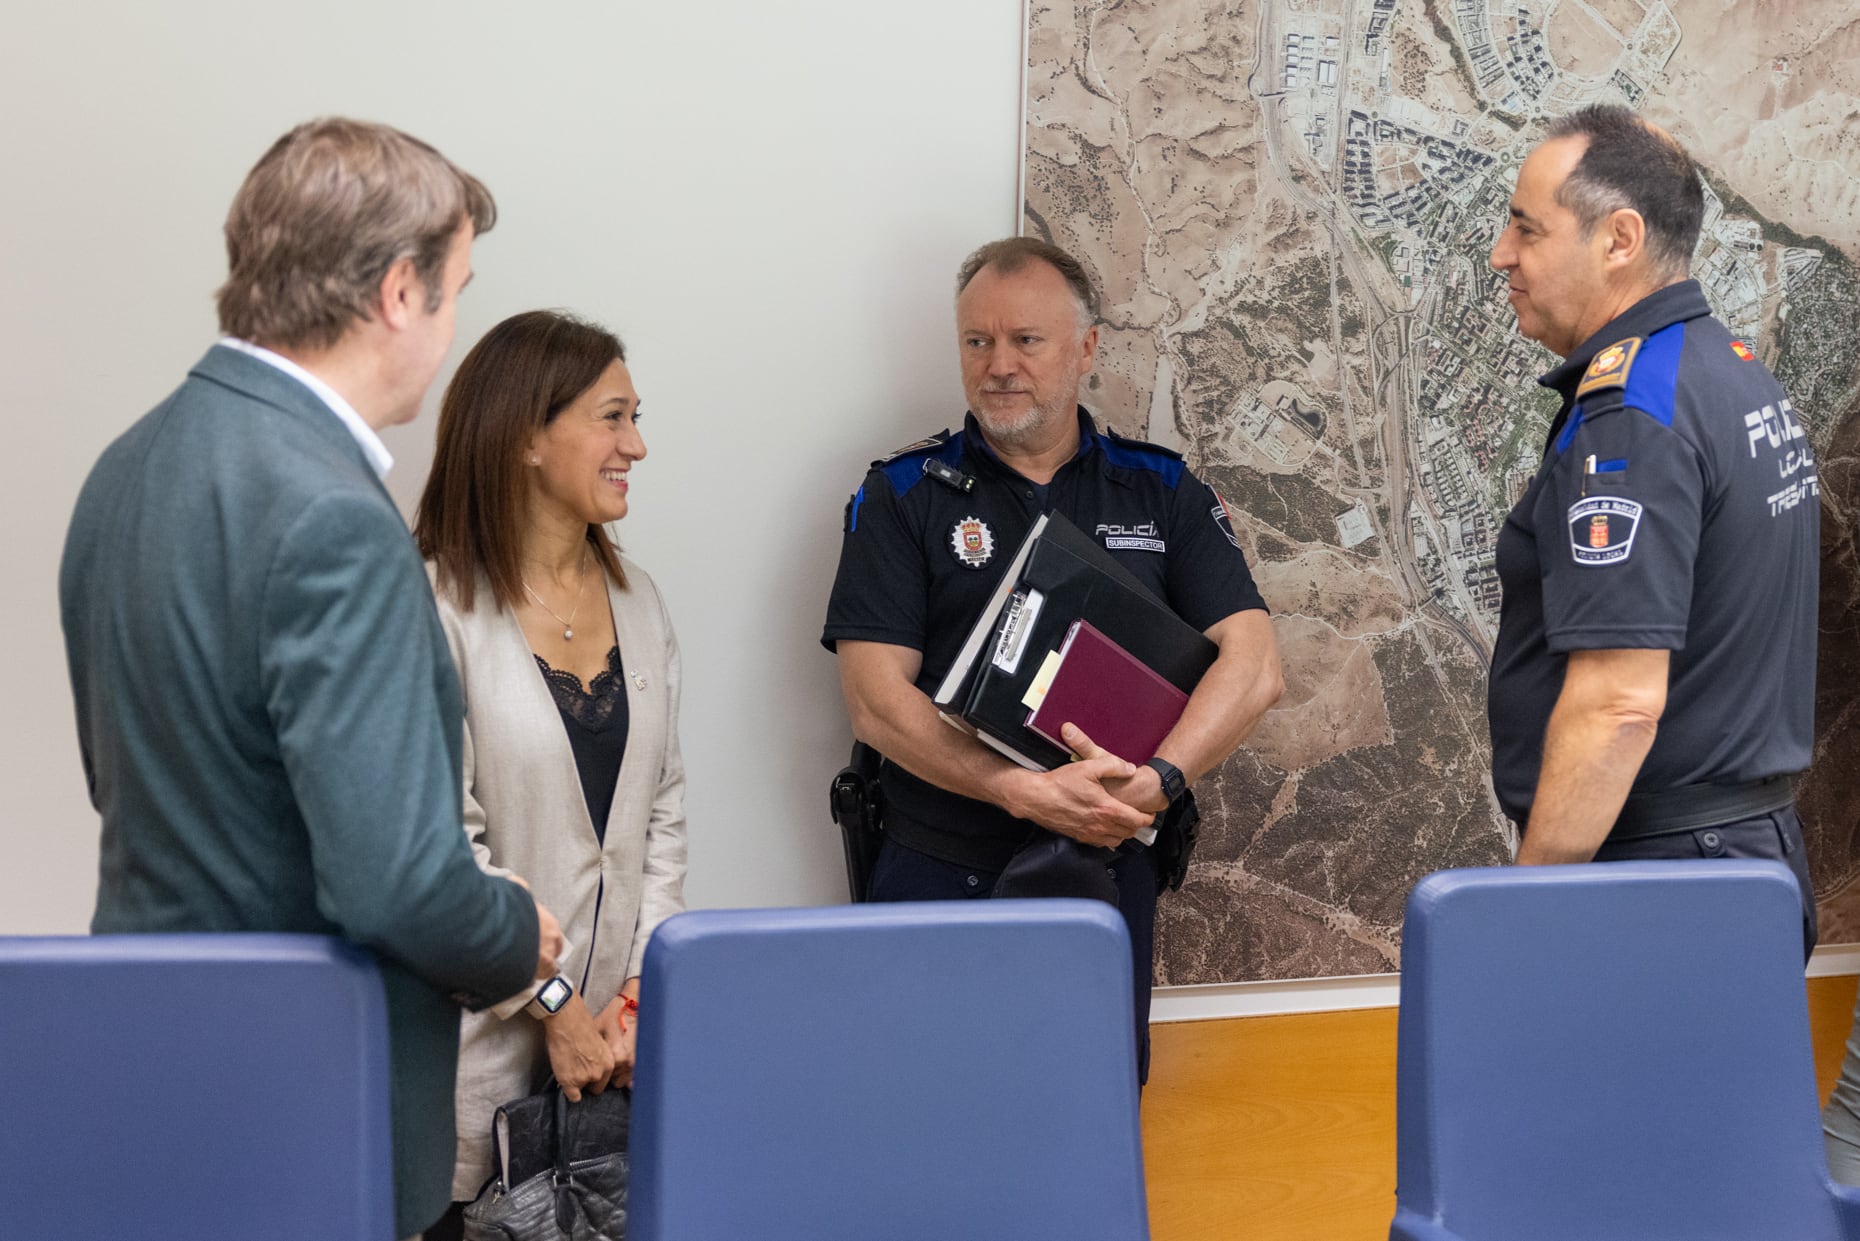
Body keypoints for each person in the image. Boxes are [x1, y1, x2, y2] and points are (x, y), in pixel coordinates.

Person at [58, 119, 562, 1241]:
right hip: (312, 1104)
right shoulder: (332, 512)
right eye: (455, 292)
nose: (450, 330)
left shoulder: (128, 465)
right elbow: (399, 885)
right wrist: (513, 934)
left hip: (147, 1076)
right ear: (397, 291)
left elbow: (129, 784)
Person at [821, 237, 1283, 1081]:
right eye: (977, 342)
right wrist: (1016, 788)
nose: (998, 365)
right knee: (919, 1108)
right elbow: (876, 701)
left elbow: (1254, 665)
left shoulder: (1160, 490)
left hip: (1100, 871)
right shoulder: (903, 496)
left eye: (1026, 341)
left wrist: (1159, 783)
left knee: (1088, 1110)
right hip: (941, 866)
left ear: (1087, 348)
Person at [1485, 105, 1818, 920]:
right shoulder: (1728, 370)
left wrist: (1525, 911)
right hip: (1736, 853)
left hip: (1663, 878)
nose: (1503, 255)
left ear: (1620, 239)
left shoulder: (1635, 412)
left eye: (1528, 230)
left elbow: (1618, 704)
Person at [412, 310, 688, 1234]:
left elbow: (664, 815)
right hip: (475, 1055)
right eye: (613, 418)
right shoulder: (436, 606)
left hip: (618, 1059)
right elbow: (443, 843)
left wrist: (642, 996)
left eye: (635, 417)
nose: (636, 445)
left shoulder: (638, 599)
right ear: (528, 435)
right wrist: (554, 1005)